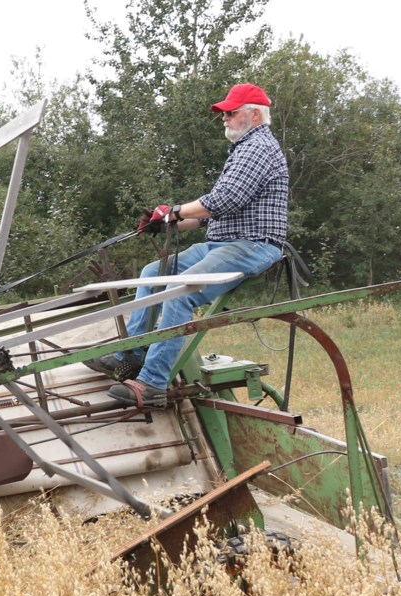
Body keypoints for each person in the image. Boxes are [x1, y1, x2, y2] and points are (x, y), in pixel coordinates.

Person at [85, 83, 289, 409]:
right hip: (224, 241)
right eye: (224, 112)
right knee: (154, 272)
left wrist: (176, 211)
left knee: (179, 289)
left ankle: (153, 383)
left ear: (253, 114)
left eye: (231, 112)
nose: (224, 117)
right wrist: (164, 221)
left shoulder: (258, 148)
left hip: (252, 245)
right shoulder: (244, 149)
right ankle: (134, 352)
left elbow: (222, 201)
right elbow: (210, 216)